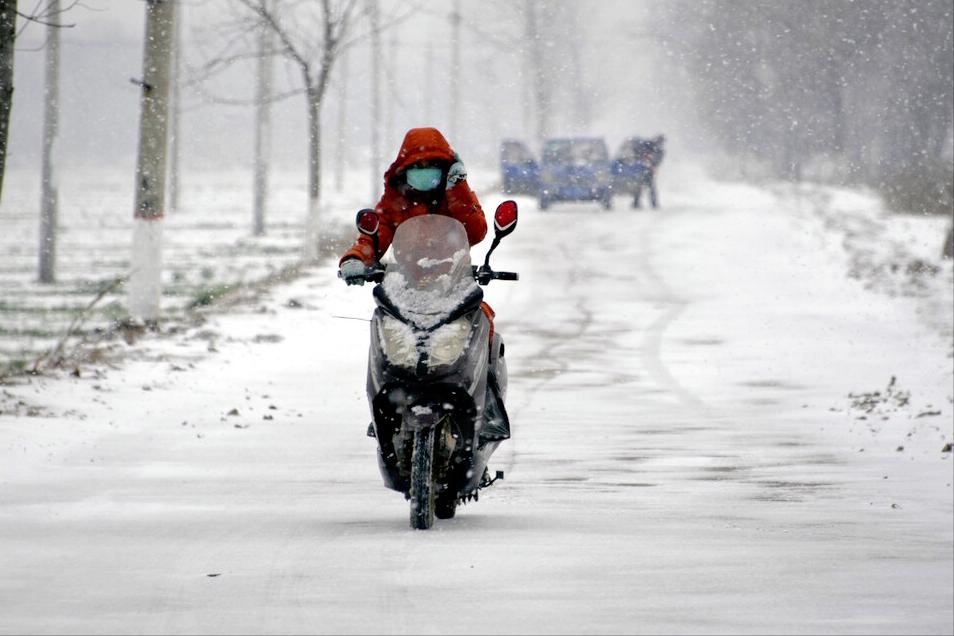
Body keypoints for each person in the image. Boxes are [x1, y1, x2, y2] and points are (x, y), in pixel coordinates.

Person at [338, 126, 496, 337]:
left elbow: (476, 232)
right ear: (404, 170)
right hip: (403, 293)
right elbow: (374, 236)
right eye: (417, 167)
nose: (424, 171)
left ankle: (488, 371)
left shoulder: (457, 197)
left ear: (445, 168)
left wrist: (458, 189)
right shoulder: (395, 202)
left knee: (482, 328)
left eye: (431, 165)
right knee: (383, 336)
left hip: (454, 289)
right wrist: (356, 258)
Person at [633, 134, 665, 209]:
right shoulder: (649, 145)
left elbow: (657, 161)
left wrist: (651, 163)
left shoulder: (659, 150)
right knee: (644, 187)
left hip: (647, 170)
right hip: (643, 169)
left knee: (646, 187)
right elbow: (638, 153)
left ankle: (640, 203)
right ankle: (639, 203)